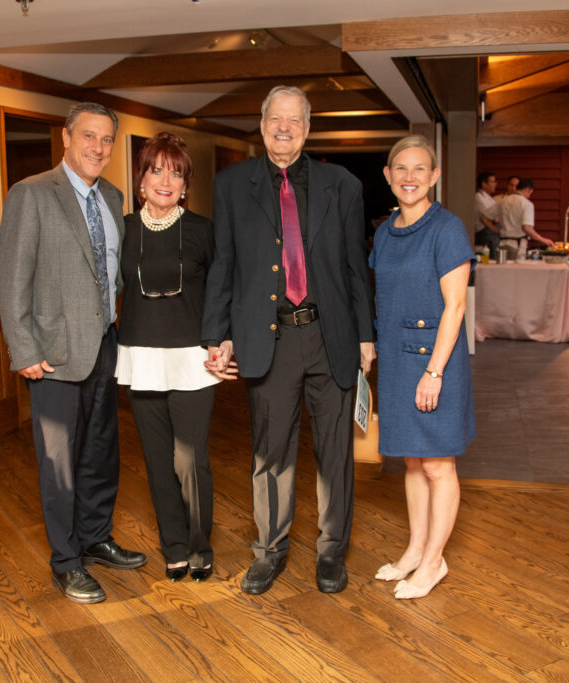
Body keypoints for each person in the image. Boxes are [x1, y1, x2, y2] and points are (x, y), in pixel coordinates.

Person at [203, 85, 375, 595]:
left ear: (308, 127)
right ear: (261, 125)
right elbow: (224, 264)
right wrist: (218, 336)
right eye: (275, 119)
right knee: (270, 453)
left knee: (335, 452)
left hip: (331, 336)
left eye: (294, 120)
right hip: (268, 340)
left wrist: (366, 335)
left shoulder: (341, 184)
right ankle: (270, 551)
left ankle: (330, 553)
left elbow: (354, 267)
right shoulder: (232, 185)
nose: (284, 127)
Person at [0, 102, 146, 606]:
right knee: (59, 464)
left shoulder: (113, 195)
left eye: (106, 139)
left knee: (101, 453)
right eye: (89, 136)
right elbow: (13, 277)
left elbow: (114, 274)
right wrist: (23, 347)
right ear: (66, 137)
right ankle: (66, 562)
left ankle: (95, 536)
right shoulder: (32, 194)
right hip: (54, 356)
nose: (99, 148)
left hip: (104, 345)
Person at [369, 135, 475, 600]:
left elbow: (455, 308)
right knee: (412, 461)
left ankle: (433, 563)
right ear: (389, 177)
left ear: (434, 177)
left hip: (435, 362)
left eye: (420, 169)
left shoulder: (447, 229)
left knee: (437, 463)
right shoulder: (384, 230)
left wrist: (433, 373)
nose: (409, 177)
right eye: (401, 169)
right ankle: (415, 550)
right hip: (395, 358)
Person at [116, 132, 221, 583]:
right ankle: (174, 546)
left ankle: (199, 544)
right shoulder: (123, 229)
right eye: (156, 170)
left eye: (176, 172)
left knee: (189, 460)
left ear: (185, 184)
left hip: (192, 359)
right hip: (140, 355)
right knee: (158, 460)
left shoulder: (201, 230)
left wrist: (224, 340)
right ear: (141, 180)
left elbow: (221, 293)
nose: (165, 180)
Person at [498, 177, 554, 258]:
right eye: (530, 193)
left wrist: (496, 230)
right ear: (528, 189)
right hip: (517, 245)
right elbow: (526, 228)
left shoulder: (502, 201)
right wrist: (544, 240)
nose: (529, 196)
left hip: (502, 243)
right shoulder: (526, 204)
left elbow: (484, 217)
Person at [474, 171, 501, 254]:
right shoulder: (479, 197)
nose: (495, 184)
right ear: (484, 184)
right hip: (484, 233)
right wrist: (497, 230)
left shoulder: (489, 197)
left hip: (490, 232)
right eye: (492, 181)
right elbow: (493, 218)